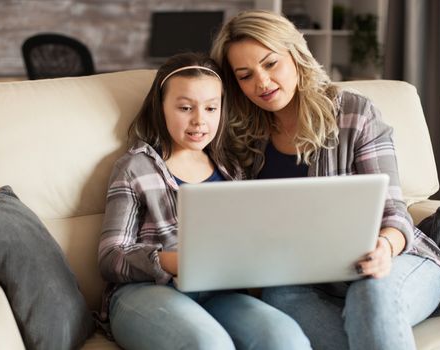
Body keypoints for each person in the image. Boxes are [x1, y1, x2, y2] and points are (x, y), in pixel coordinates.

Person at [211, 10, 440, 350]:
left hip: (391, 261)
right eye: (245, 75)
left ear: (296, 56)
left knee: (369, 294)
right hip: (298, 281)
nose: (261, 83)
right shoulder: (240, 138)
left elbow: (394, 210)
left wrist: (385, 246)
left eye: (270, 63)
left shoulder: (354, 112)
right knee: (282, 302)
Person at [97, 52, 310, 350]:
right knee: (208, 344)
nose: (200, 120)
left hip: (220, 293)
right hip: (144, 292)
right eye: (185, 108)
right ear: (161, 108)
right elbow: (109, 258)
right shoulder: (135, 168)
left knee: (286, 339)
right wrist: (172, 261)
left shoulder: (232, 169)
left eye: (211, 108)